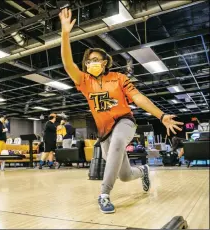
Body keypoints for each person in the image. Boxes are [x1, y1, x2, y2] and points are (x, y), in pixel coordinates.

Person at [59, 8, 183, 214]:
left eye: (97, 60)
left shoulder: (118, 78)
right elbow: (67, 63)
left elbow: (138, 98)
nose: (92, 63)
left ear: (105, 62)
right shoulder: (84, 81)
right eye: (89, 61)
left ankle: (104, 194)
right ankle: (143, 170)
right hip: (104, 131)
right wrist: (64, 34)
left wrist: (161, 115)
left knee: (118, 143)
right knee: (124, 175)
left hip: (124, 122)